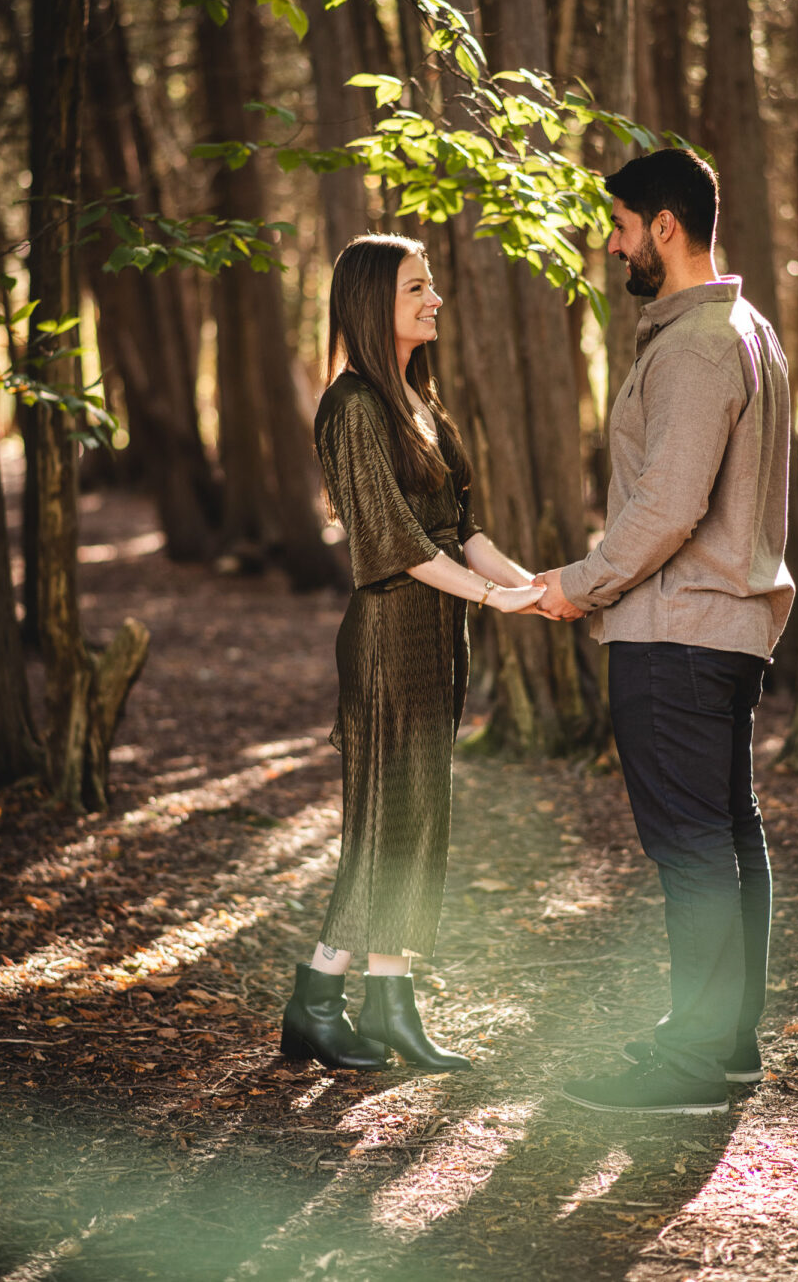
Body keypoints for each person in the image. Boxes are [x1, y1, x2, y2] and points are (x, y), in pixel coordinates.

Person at [535, 148, 795, 1116]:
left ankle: (695, 1062)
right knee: (727, 834)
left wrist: (581, 585)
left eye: (621, 225)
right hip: (723, 634)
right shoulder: (747, 330)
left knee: (694, 847)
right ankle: (722, 1046)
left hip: (677, 633)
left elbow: (668, 505)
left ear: (666, 228)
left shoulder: (694, 346)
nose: (613, 244)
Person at [280, 233, 542, 1074]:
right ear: (370, 306)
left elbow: (464, 534)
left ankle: (389, 1001)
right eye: (416, 289)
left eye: (431, 286)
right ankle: (316, 1003)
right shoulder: (352, 407)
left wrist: (531, 586)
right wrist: (496, 599)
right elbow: (400, 547)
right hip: (391, 636)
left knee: (419, 823)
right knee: (383, 827)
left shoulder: (419, 405)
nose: (435, 300)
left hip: (438, 637)